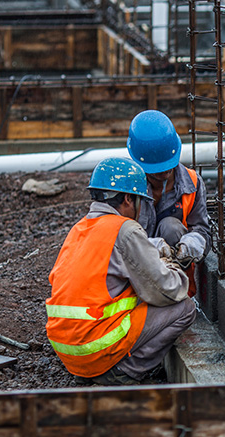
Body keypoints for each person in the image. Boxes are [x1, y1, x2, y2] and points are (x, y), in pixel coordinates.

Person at [46, 157, 196, 386]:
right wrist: (173, 266)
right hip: (93, 347)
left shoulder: (79, 229)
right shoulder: (123, 229)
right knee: (184, 307)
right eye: (139, 202)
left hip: (67, 350)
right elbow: (168, 290)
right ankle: (124, 372)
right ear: (128, 199)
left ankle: (97, 367)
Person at [126, 110, 211, 297]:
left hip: (174, 272)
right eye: (157, 171)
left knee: (171, 227)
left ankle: (176, 292)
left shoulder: (192, 183)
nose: (165, 174)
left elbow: (202, 228)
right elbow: (113, 235)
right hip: (133, 268)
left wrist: (194, 242)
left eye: (167, 168)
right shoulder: (127, 186)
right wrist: (146, 247)